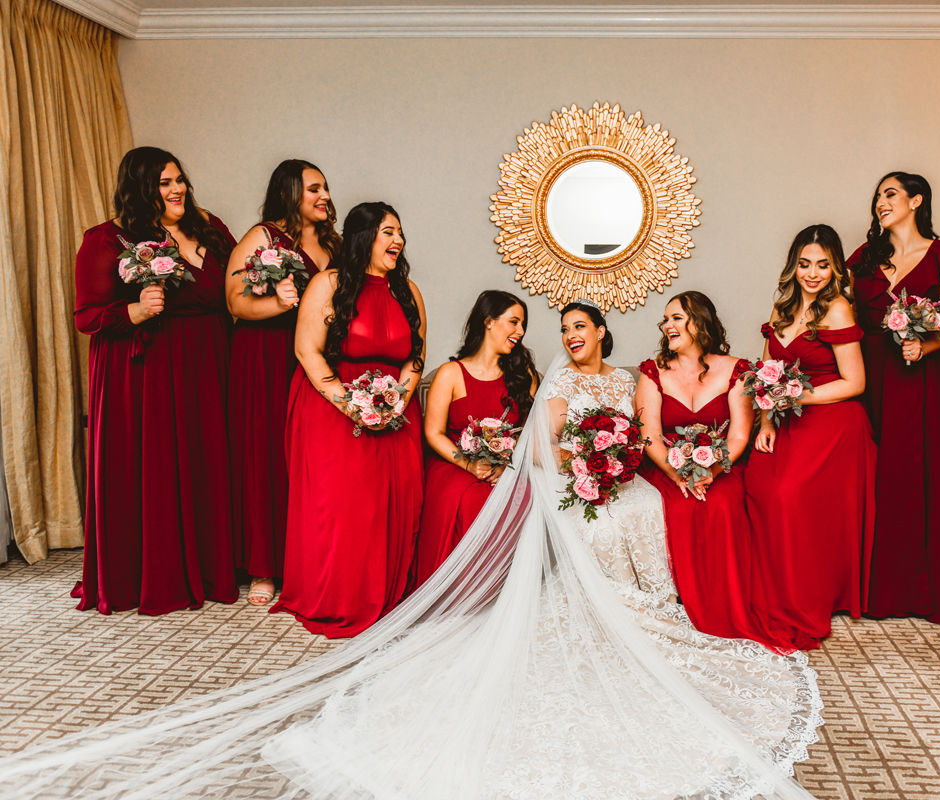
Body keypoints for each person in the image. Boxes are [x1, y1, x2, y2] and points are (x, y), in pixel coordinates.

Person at [0, 302, 825, 800]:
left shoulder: (624, 378)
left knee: (637, 510)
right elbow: (541, 452)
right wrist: (585, 466)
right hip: (573, 481)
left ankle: (652, 606)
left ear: (604, 330)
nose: (571, 337)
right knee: (592, 521)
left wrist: (617, 464)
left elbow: (639, 437)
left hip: (615, 477)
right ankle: (597, 603)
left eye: (582, 326)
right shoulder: (558, 385)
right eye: (561, 328)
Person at [73, 146, 237, 615]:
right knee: (159, 467)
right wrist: (136, 310)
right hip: (149, 371)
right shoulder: (106, 240)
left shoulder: (209, 227)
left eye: (179, 179)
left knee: (207, 461)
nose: (177, 189)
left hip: (209, 361)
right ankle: (154, 571)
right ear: (141, 188)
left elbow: (235, 285)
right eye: (165, 183)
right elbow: (86, 316)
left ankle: (211, 566)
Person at [270, 202, 427, 638]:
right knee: (344, 508)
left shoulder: (408, 291)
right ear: (364, 237)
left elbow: (416, 357)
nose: (398, 240)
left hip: (395, 411)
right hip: (333, 406)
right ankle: (338, 595)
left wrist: (395, 402)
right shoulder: (328, 284)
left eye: (400, 232)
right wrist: (354, 405)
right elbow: (307, 350)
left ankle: (387, 593)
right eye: (388, 232)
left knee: (394, 504)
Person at [745, 225, 876, 649]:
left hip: (833, 418)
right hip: (786, 418)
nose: (812, 273)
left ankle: (803, 593)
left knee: (788, 492)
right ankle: (772, 587)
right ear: (793, 266)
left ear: (835, 267)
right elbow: (767, 373)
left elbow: (855, 382)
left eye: (822, 265)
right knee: (757, 483)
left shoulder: (837, 308)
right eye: (804, 264)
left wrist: (798, 395)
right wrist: (766, 423)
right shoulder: (781, 308)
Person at [848, 171, 940, 625]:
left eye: (891, 194)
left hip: (922, 377)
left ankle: (922, 587)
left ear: (917, 201)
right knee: (878, 475)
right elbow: (844, 316)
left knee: (921, 473)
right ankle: (877, 586)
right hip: (872, 375)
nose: (881, 202)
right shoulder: (863, 259)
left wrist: (927, 346)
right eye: (878, 195)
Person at [634, 291, 780, 648]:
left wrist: (710, 472)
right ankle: (681, 607)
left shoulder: (737, 370)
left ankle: (723, 607)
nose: (667, 325)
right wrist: (677, 474)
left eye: (676, 318)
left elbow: (739, 435)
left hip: (721, 467)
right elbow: (649, 435)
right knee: (679, 505)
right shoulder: (652, 372)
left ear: (699, 322)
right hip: (667, 467)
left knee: (723, 505)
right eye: (665, 320)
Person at [226, 159, 340, 607]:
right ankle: (264, 567)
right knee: (269, 455)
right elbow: (234, 302)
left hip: (316, 356)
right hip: (267, 356)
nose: (324, 195)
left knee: (312, 458)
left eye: (325, 188)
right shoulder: (263, 237)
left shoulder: (334, 244)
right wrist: (277, 303)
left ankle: (307, 558)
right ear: (288, 192)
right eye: (314, 188)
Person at [410, 290, 537, 591]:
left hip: (505, 465)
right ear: (489, 321)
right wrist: (469, 465)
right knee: (474, 499)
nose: (520, 331)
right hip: (453, 462)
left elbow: (529, 431)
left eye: (523, 325)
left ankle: (505, 593)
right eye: (514, 322)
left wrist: (506, 465)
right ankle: (463, 591)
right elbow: (433, 433)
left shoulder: (523, 375)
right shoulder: (451, 373)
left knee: (525, 495)